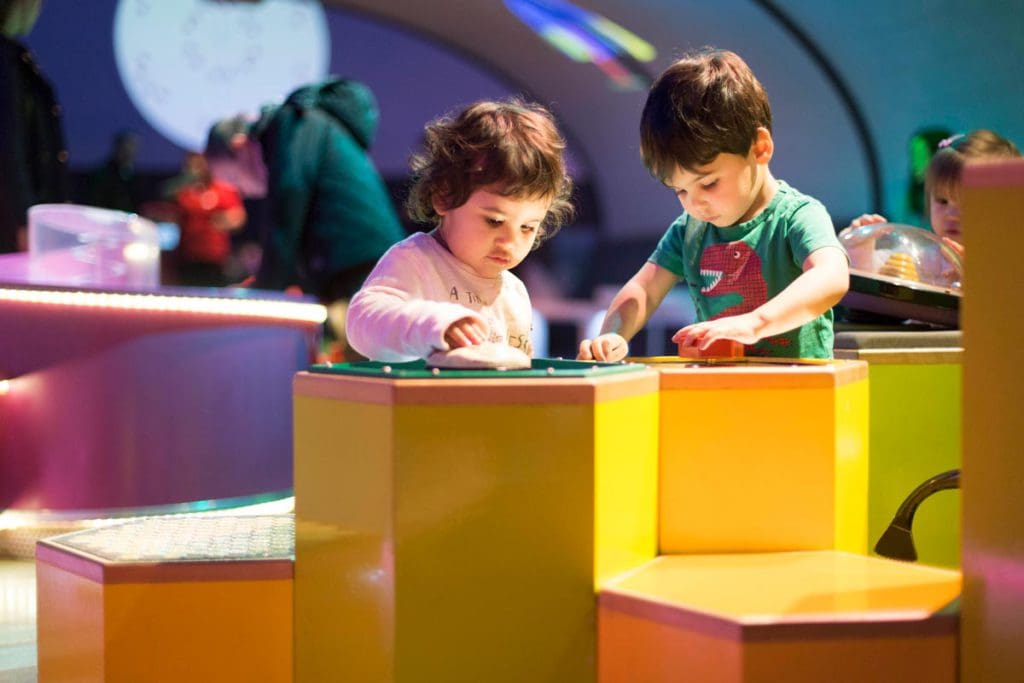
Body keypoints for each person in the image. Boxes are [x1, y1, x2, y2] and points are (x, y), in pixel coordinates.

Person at [578, 48, 849, 361]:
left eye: (708, 183)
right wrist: (612, 334)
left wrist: (755, 324)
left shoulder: (796, 217)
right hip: (717, 386)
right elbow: (644, 289)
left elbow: (832, 276)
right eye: (679, 190)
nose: (695, 204)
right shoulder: (690, 230)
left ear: (759, 148)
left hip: (799, 391)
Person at [345, 98, 573, 362]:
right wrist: (432, 324)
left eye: (527, 227)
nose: (510, 242)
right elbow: (362, 322)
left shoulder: (514, 292)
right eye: (495, 221)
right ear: (444, 196)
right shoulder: (415, 261)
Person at [205, 78, 407, 354]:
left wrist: (262, 297)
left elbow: (287, 208)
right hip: (369, 266)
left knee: (367, 375)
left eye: (233, 179)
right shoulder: (309, 125)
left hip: (361, 273)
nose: (245, 192)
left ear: (240, 146)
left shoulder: (293, 122)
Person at [844, 129, 1021, 249]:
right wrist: (861, 244)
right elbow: (882, 269)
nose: (951, 213)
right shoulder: (928, 259)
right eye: (942, 201)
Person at [0, 0, 69, 253]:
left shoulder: (14, 59)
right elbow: (8, 144)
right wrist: (22, 219)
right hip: (12, 227)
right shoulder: (6, 61)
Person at [172, 152, 246, 287]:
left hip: (214, 259)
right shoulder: (183, 192)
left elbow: (238, 217)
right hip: (187, 258)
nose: (195, 169)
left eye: (199, 164)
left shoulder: (223, 190)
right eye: (191, 165)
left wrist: (222, 221)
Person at [84, 129, 141, 213]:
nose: (131, 150)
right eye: (129, 145)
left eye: (134, 145)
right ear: (118, 147)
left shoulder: (133, 175)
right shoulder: (102, 175)